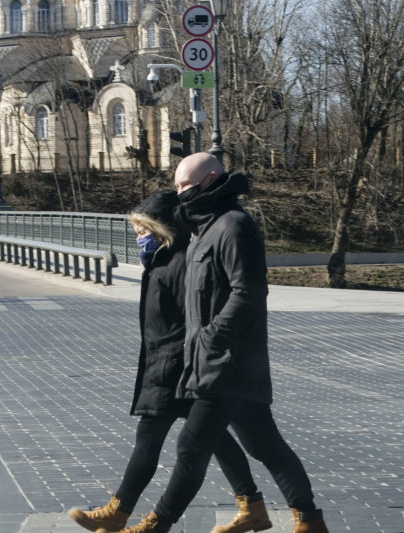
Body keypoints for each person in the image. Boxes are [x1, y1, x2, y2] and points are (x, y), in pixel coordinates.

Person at [110, 154, 328, 533]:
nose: (180, 193)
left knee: (190, 449)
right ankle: (307, 520)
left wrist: (212, 338)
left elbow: (250, 293)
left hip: (227, 363)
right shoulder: (204, 232)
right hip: (212, 362)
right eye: (177, 186)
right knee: (265, 447)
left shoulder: (233, 226)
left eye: (184, 185)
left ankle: (154, 525)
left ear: (210, 180)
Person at [70, 190, 272, 533]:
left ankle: (119, 512)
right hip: (167, 365)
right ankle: (251, 504)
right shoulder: (163, 261)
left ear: (163, 231)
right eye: (135, 231)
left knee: (150, 440)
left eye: (144, 231)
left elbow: (194, 317)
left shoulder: (179, 264)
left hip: (174, 367)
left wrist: (183, 358)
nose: (139, 238)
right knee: (216, 439)